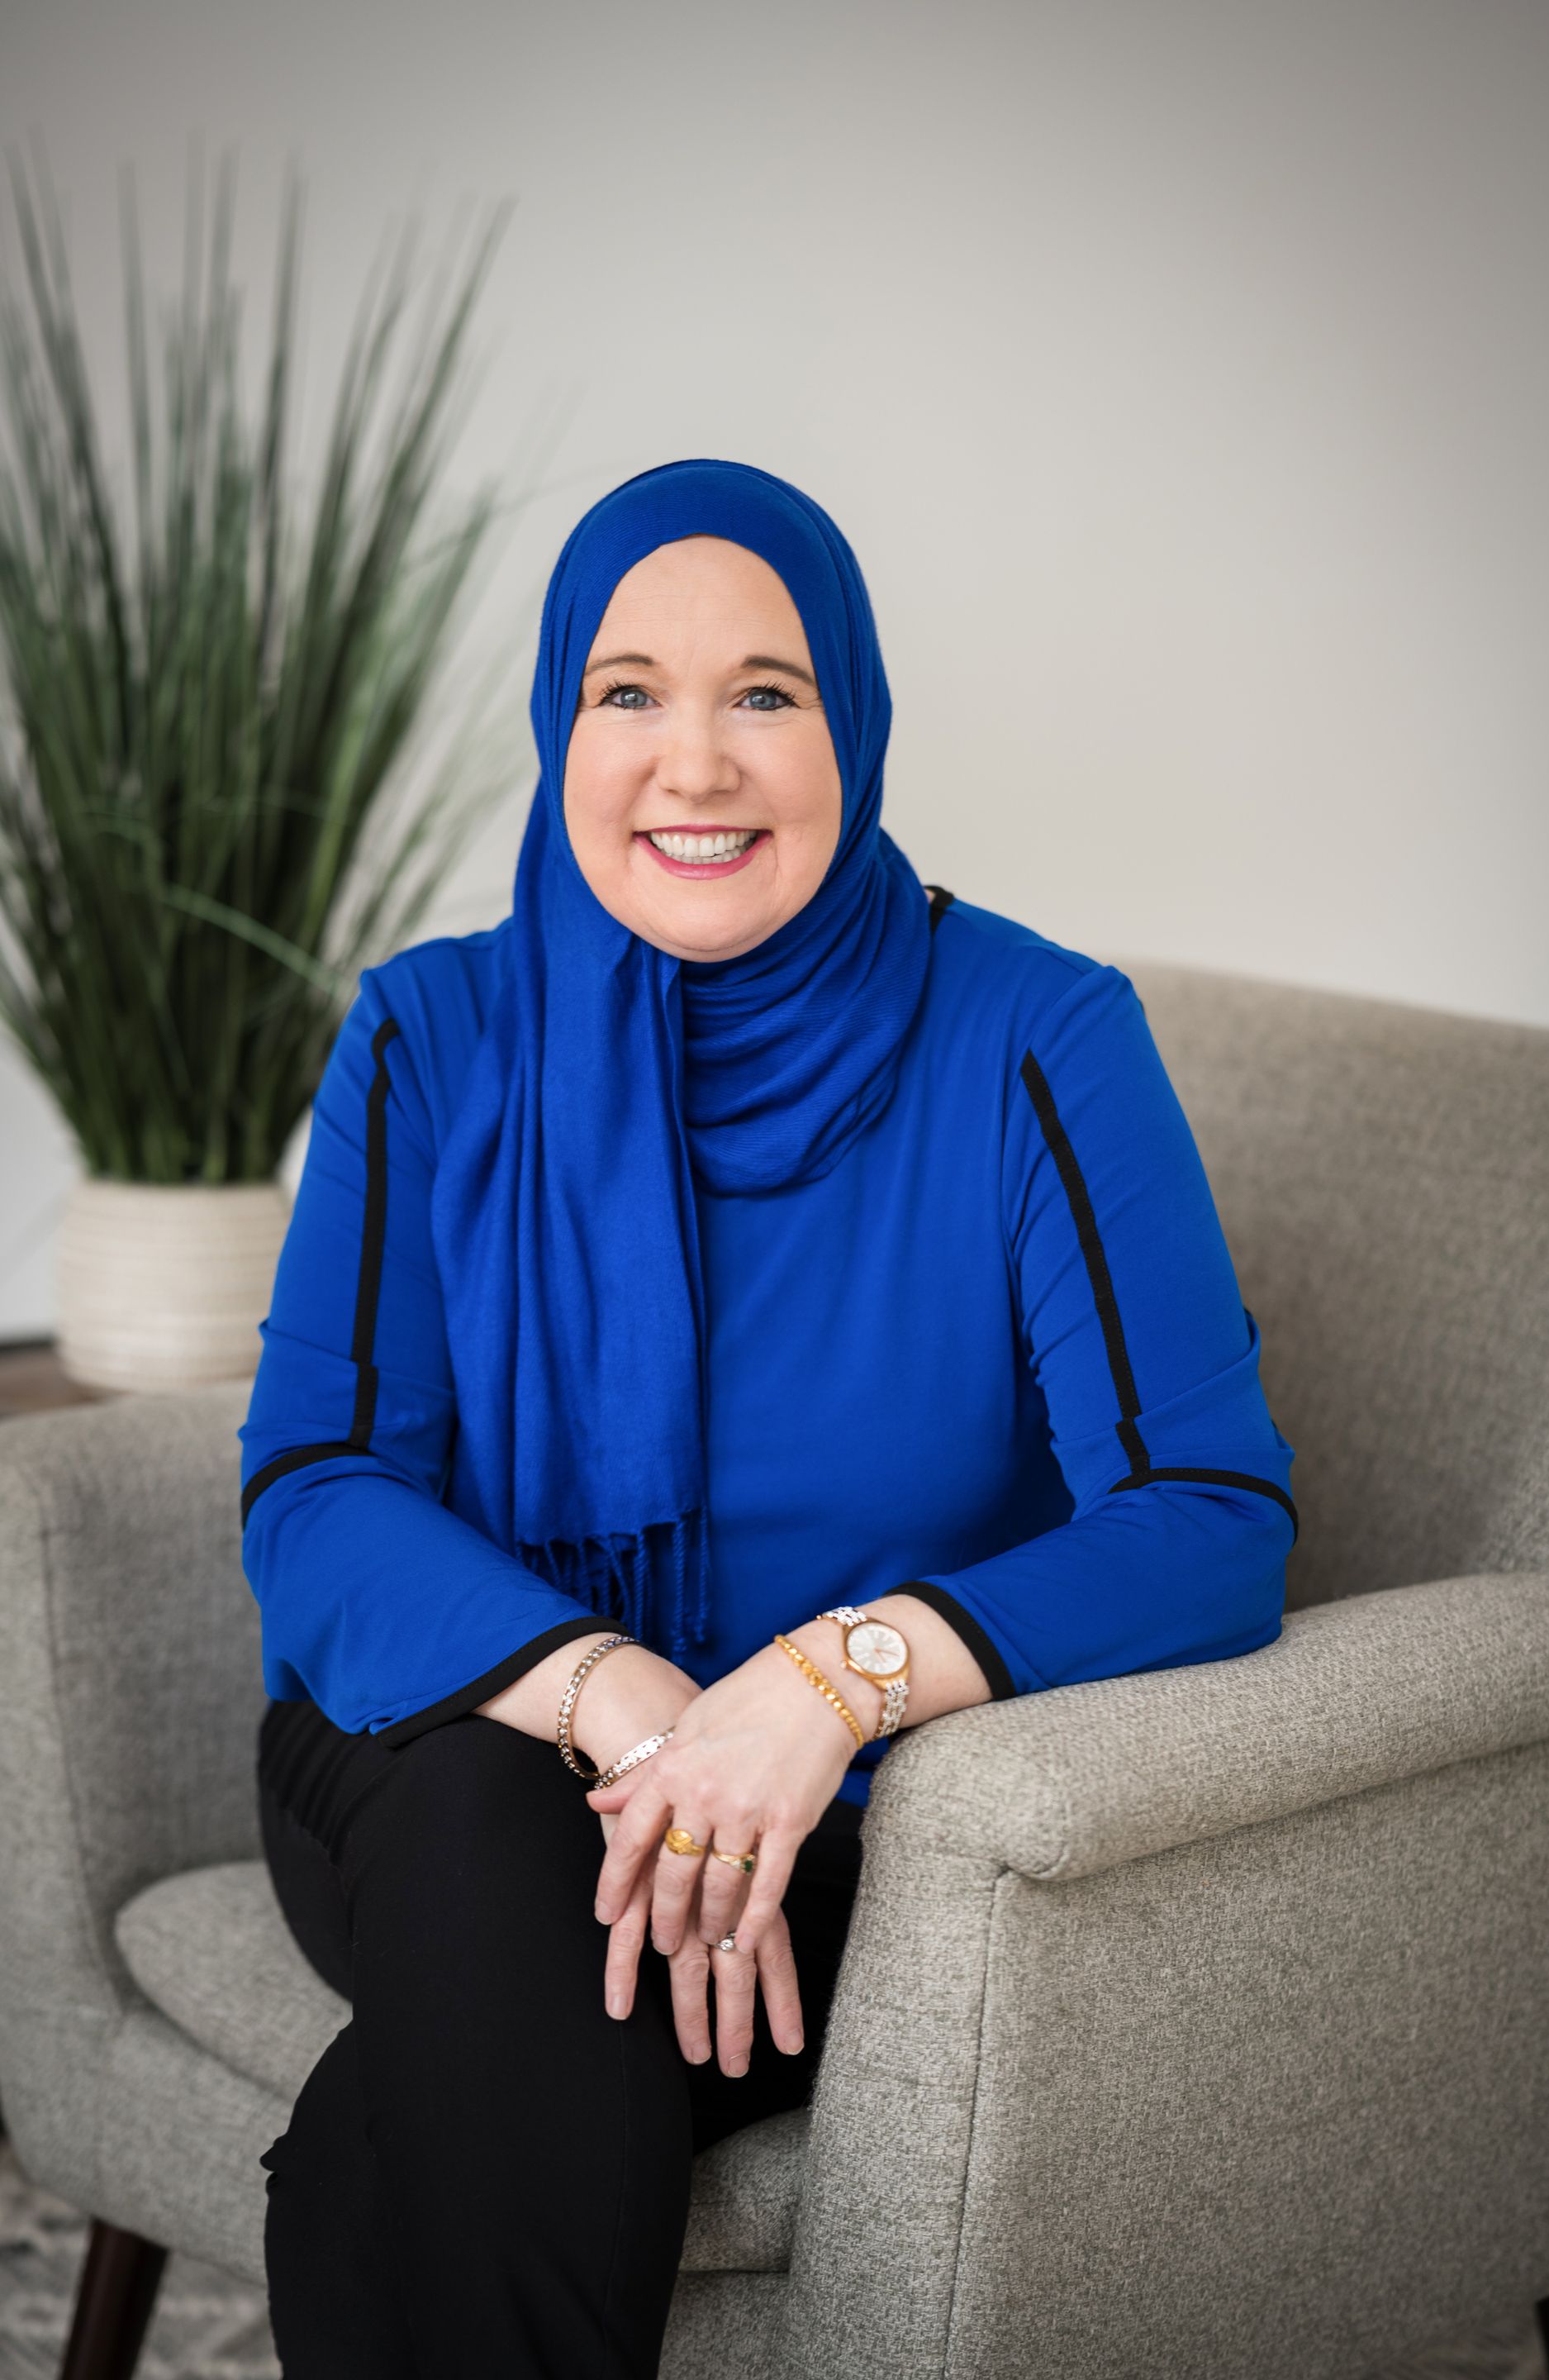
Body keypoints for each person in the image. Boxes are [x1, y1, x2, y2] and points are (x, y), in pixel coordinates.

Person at [240, 457, 1297, 2378]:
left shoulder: (1038, 1038)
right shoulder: (428, 1036)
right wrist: (610, 1691)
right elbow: (316, 1491)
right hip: (440, 1744)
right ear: (561, 726)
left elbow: (1212, 1512)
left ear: (856, 723)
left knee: (362, 2156)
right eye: (626, 692)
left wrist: (825, 1685)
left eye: (766, 694)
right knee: (495, 1824)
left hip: (844, 1819)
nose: (693, 763)